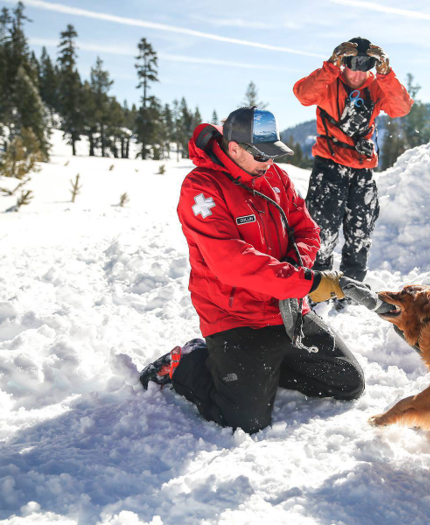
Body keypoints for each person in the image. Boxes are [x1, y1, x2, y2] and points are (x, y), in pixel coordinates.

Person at [139, 107, 364, 434]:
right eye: (261, 155)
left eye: (273, 153)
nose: (269, 162)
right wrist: (304, 282)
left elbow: (307, 231)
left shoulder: (276, 178)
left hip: (287, 311)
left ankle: (263, 370)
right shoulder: (201, 189)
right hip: (237, 319)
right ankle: (185, 363)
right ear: (234, 148)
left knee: (348, 381)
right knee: (246, 421)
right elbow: (233, 263)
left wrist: (295, 272)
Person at [293, 37, 413, 308]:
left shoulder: (376, 86)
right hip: (329, 167)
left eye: (366, 64)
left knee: (360, 233)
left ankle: (352, 294)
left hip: (362, 171)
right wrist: (330, 67)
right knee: (322, 233)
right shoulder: (330, 82)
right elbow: (303, 94)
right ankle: (319, 292)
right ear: (343, 63)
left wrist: (385, 74)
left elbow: (401, 107)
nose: (358, 71)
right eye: (352, 63)